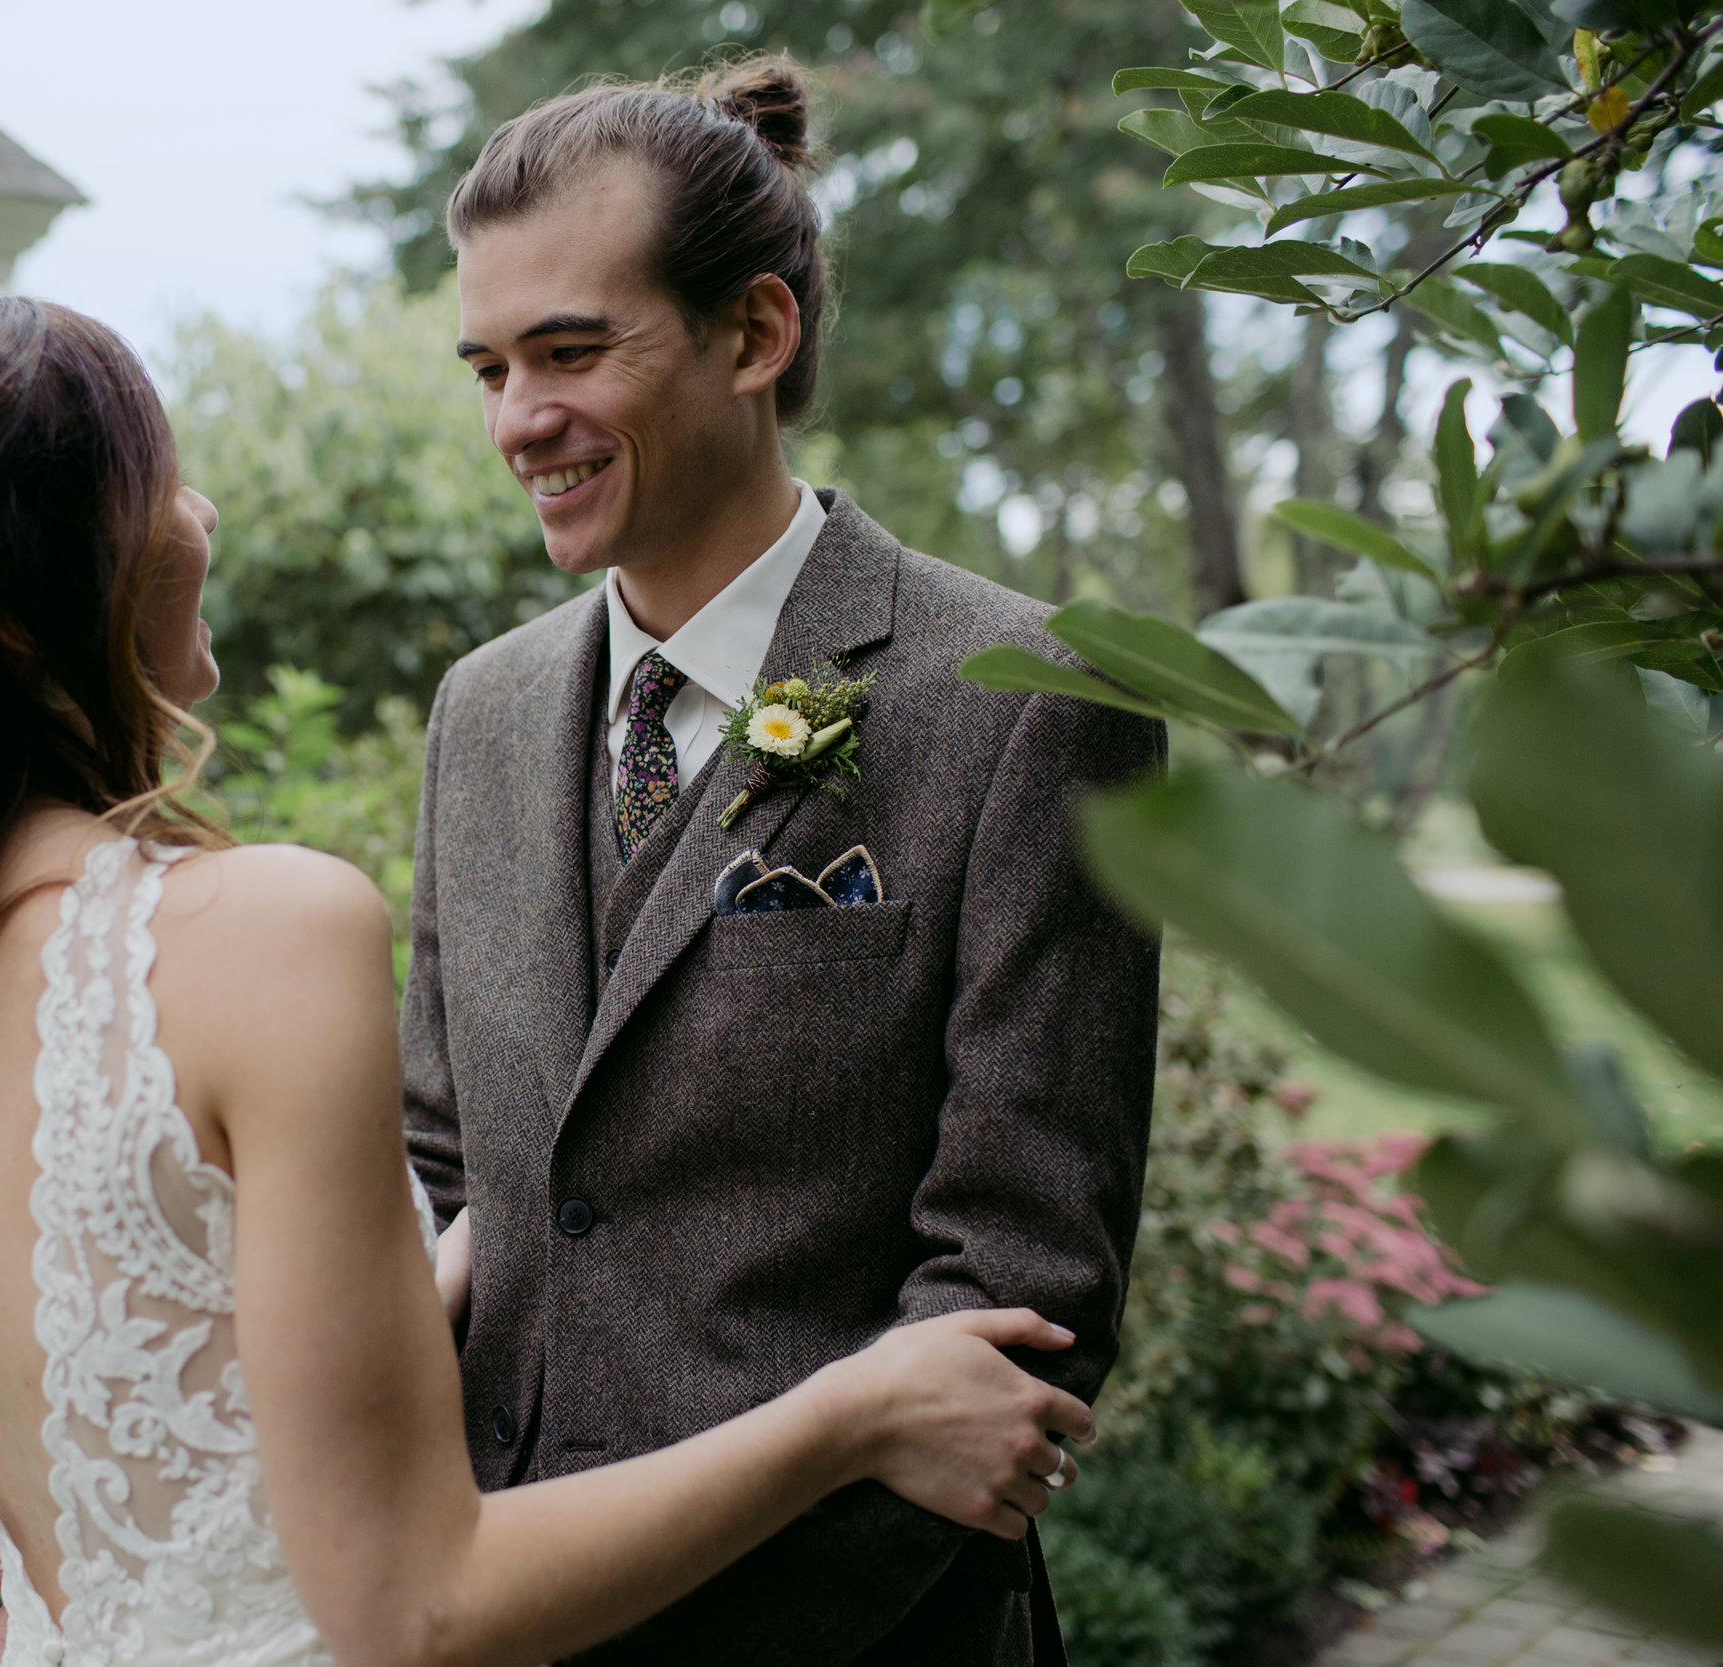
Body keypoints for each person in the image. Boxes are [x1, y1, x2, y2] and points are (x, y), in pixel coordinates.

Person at [0, 278, 1094, 1667]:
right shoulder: (259, 931)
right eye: (152, 476)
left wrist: (451, 1263)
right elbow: (419, 1612)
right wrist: (854, 1412)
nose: (200, 512)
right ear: (22, 614)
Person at [405, 57, 1164, 1666]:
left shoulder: (1027, 698)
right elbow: (447, 1161)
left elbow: (1022, 1286)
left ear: (755, 335)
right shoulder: (481, 715)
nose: (517, 420)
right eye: (487, 366)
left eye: (569, 352)